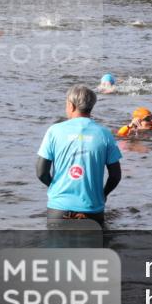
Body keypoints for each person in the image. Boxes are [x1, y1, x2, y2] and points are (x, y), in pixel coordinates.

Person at [36, 85, 122, 228]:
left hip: (59, 209)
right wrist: (103, 194)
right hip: (92, 210)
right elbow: (115, 176)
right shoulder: (104, 134)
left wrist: (55, 188)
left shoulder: (54, 131)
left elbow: (41, 172)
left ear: (71, 105)